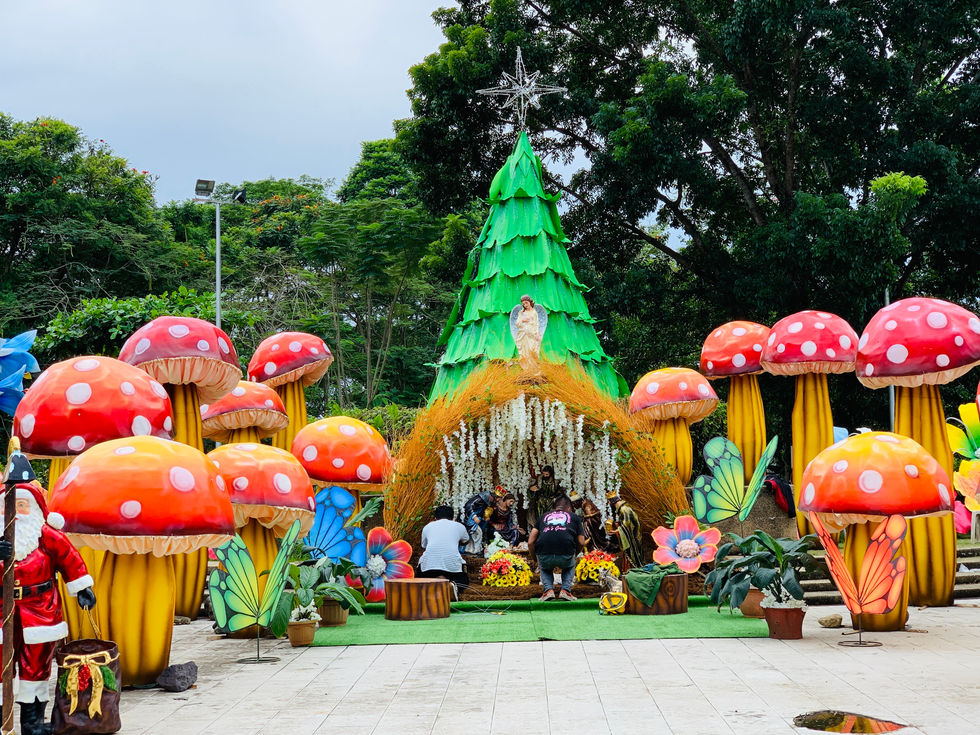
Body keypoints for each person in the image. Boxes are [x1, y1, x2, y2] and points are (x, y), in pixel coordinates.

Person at [0, 477, 96, 735]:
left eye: (22, 506)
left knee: (36, 664)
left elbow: (69, 558)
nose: (15, 513)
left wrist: (82, 587)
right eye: (9, 506)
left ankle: (32, 723)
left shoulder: (45, 534)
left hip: (39, 610)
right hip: (2, 609)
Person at [528, 495, 587, 601]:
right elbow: (581, 542)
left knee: (545, 568)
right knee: (569, 566)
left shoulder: (543, 516)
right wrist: (575, 554)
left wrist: (535, 559)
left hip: (544, 553)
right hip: (566, 553)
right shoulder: (574, 517)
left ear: (554, 507)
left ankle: (548, 590)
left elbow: (530, 542)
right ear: (569, 508)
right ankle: (565, 590)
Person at [418, 505, 470, 595]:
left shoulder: (428, 527)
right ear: (452, 518)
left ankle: (433, 583)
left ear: (435, 518)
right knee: (464, 581)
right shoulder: (459, 526)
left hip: (429, 568)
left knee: (419, 577)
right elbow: (466, 541)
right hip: (452, 569)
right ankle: (452, 585)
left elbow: (424, 546)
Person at [606, 490, 644, 571]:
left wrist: (617, 531)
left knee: (633, 553)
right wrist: (618, 524)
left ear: (612, 502)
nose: (609, 504)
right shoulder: (622, 508)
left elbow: (627, 523)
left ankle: (635, 568)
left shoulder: (624, 509)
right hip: (631, 534)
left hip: (633, 536)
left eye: (609, 502)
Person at [512, 295, 544, 373]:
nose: (525, 305)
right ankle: (527, 370)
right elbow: (517, 323)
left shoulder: (534, 312)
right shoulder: (521, 313)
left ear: (530, 302)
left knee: (532, 350)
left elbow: (536, 324)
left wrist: (537, 334)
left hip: (532, 334)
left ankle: (534, 370)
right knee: (524, 352)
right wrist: (523, 320)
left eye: (526, 303)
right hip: (523, 335)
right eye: (523, 304)